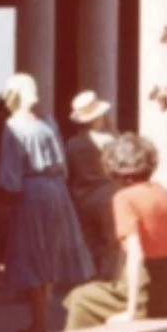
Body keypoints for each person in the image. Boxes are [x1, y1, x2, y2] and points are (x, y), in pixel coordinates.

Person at [0, 73, 93, 332]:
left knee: (32, 255)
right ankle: (44, 318)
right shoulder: (47, 123)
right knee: (48, 254)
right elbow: (63, 165)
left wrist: (4, 203)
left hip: (31, 193)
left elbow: (10, 173)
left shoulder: (13, 126)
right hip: (56, 192)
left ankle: (39, 322)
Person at [64, 133, 167, 330]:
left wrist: (131, 312)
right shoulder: (164, 193)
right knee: (91, 295)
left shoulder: (124, 198)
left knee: (80, 299)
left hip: (149, 294)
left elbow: (136, 256)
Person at [65, 89, 120, 281]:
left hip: (83, 197)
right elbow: (120, 161)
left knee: (89, 242)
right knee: (111, 242)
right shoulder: (108, 140)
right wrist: (113, 129)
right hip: (107, 194)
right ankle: (108, 279)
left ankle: (90, 279)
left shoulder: (72, 144)